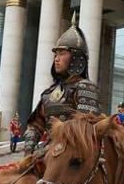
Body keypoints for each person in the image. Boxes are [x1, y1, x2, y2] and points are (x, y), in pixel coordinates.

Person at [18, 25, 100, 159]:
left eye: (62, 54)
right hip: (47, 154)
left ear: (76, 58)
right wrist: (28, 153)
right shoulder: (49, 92)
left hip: (73, 158)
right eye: (56, 54)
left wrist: (50, 150)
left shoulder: (85, 88)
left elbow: (85, 128)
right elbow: (35, 125)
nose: (56, 59)